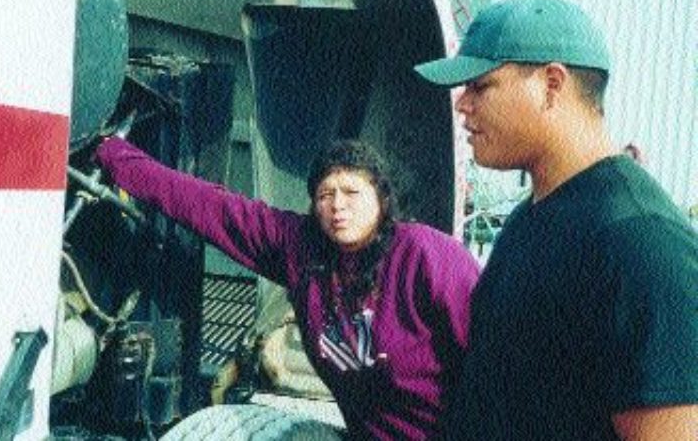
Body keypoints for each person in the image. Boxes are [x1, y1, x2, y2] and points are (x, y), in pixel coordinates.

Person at [414, 0, 698, 440]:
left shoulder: (642, 244)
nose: (462, 104)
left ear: (551, 84)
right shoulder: (531, 217)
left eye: (480, 86)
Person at [96, 137, 481, 439]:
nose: (337, 205)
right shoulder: (302, 248)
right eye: (325, 195)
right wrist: (114, 155)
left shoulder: (427, 255)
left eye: (352, 192)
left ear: (381, 199)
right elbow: (211, 207)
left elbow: (492, 360)